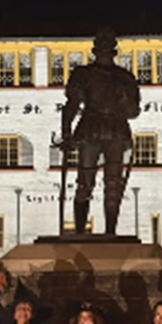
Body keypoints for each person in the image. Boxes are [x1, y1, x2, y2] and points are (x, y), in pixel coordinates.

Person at [62, 26, 140, 234]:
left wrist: (124, 97)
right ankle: (79, 231)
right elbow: (71, 105)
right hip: (92, 127)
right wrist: (66, 132)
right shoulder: (84, 74)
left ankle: (110, 231)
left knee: (113, 185)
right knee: (84, 182)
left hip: (116, 129)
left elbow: (133, 112)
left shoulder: (124, 78)